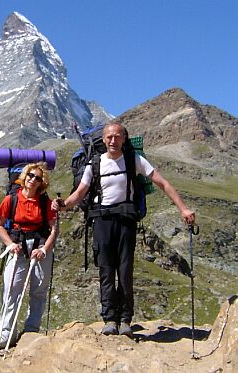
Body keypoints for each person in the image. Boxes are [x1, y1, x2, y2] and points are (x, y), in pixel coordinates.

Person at [52, 122, 195, 337]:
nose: (112, 140)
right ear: (103, 139)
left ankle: (126, 319)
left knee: (125, 270)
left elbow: (162, 183)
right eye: (109, 137)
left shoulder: (134, 160)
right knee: (106, 270)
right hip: (101, 220)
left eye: (117, 136)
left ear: (124, 139)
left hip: (126, 219)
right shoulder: (94, 164)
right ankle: (110, 319)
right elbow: (80, 192)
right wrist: (63, 204)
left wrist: (183, 209)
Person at [0, 162, 57, 348]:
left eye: (38, 178)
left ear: (42, 182)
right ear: (24, 176)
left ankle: (31, 330)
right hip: (18, 247)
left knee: (38, 290)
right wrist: (10, 244)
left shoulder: (45, 202)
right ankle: (6, 333)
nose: (33, 180)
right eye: (30, 175)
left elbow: (54, 229)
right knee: (11, 290)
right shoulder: (11, 199)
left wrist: (44, 250)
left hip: (40, 247)